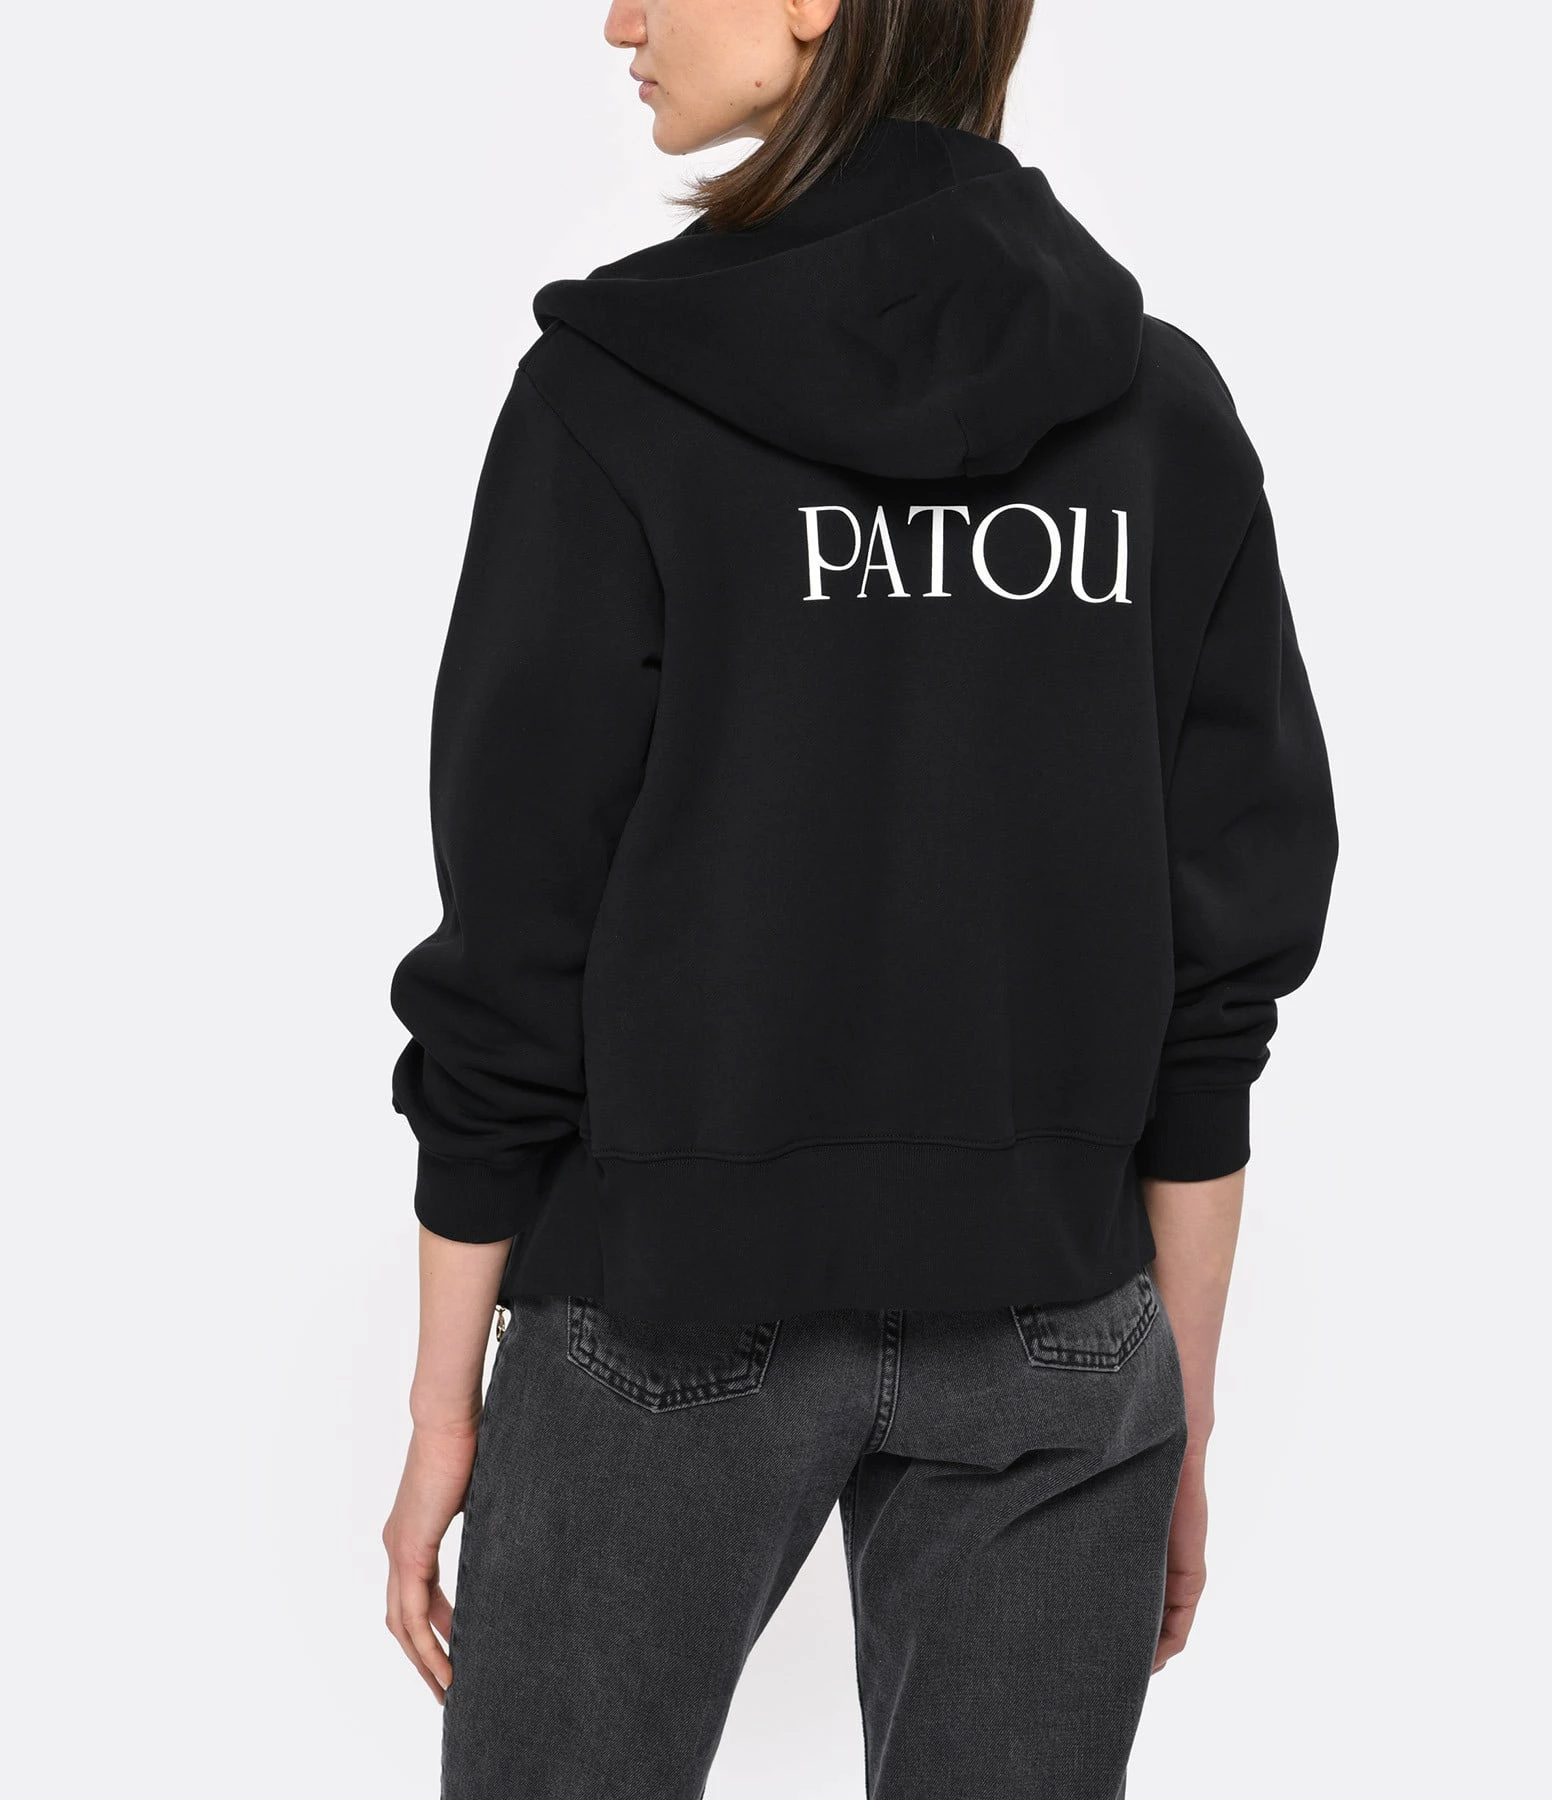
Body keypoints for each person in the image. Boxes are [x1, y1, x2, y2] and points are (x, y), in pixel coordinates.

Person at [382, 1, 1339, 1793]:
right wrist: (1177, 1410)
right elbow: (1226, 950)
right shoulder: (1160, 414)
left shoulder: (613, 400)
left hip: (666, 1297)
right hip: (1062, 1322)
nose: (620, 18)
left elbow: (516, 931)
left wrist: (446, 1407)